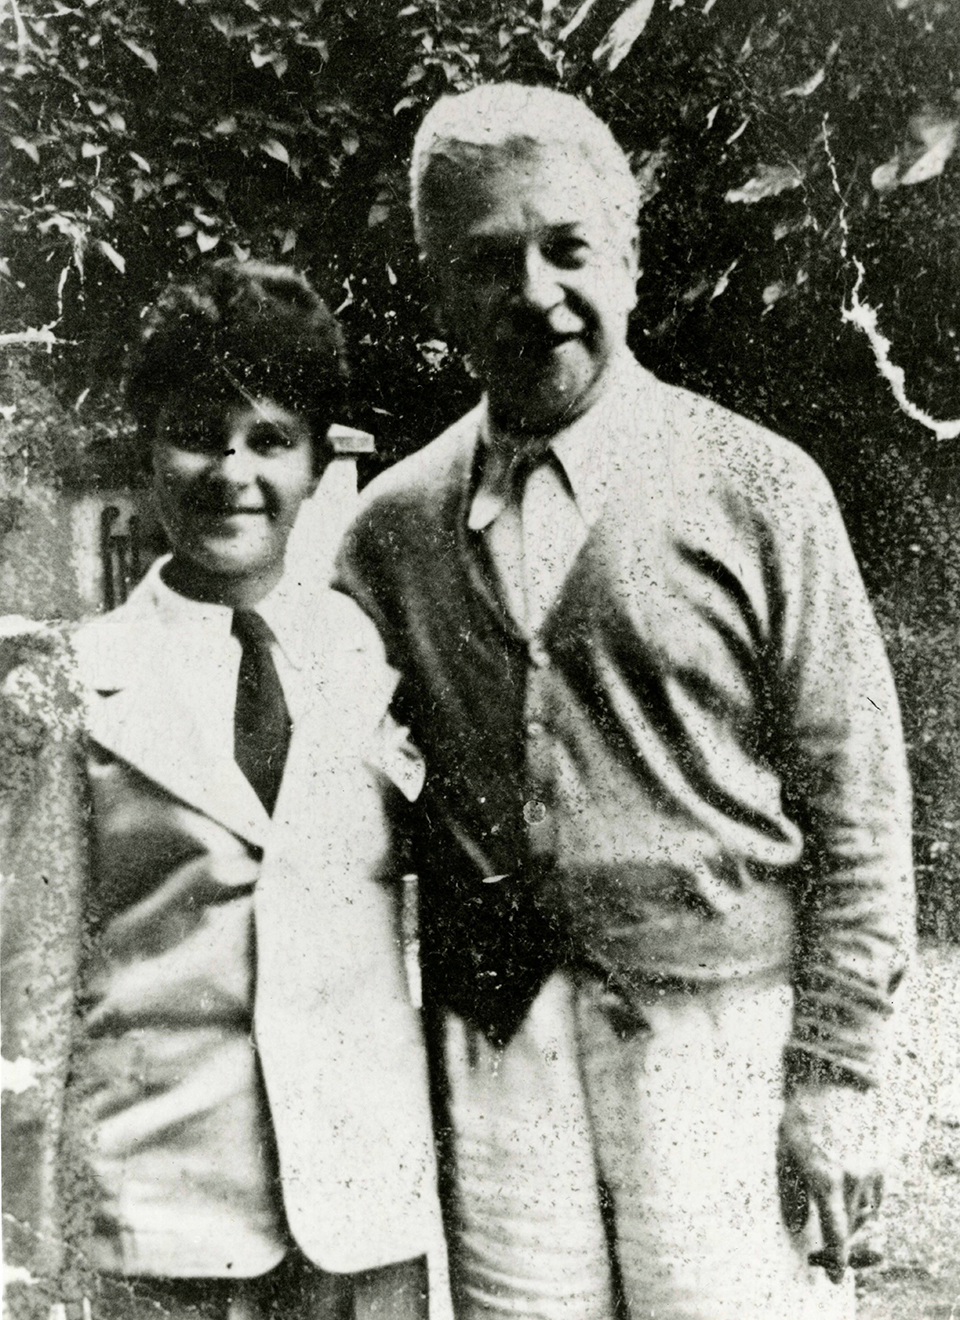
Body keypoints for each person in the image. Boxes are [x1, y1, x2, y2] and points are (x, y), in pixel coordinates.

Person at [334, 84, 915, 1320]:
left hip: (720, 1044)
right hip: (501, 1052)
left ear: (632, 260)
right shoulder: (389, 532)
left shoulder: (760, 488)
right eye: (488, 261)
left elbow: (859, 802)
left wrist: (836, 1071)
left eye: (568, 248)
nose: (535, 292)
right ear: (440, 288)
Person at [1, 260, 449, 1320]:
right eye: (199, 432)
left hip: (358, 1221)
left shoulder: (371, 655)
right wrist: (25, 1259)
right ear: (151, 446)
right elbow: (29, 991)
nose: (231, 472)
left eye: (269, 439)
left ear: (312, 462)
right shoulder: (71, 683)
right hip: (163, 1217)